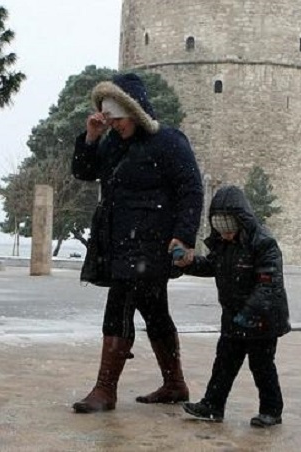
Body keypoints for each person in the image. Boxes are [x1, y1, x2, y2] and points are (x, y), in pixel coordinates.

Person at [70, 72, 203, 413]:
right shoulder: (113, 143)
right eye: (109, 119)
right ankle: (175, 384)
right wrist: (91, 136)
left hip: (151, 244)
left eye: (118, 118)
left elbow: (191, 190)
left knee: (120, 306)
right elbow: (84, 171)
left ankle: (105, 389)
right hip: (119, 241)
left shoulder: (169, 141)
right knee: (155, 311)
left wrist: (183, 236)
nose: (114, 125)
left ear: (136, 111)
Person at [176, 184, 291, 428]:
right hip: (233, 315)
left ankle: (271, 410)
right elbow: (211, 266)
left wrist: (249, 313)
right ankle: (212, 405)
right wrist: (187, 263)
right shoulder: (224, 245)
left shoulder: (263, 243)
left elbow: (268, 286)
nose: (224, 234)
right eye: (219, 227)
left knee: (261, 365)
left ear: (241, 220)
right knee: (224, 362)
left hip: (262, 318)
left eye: (228, 227)